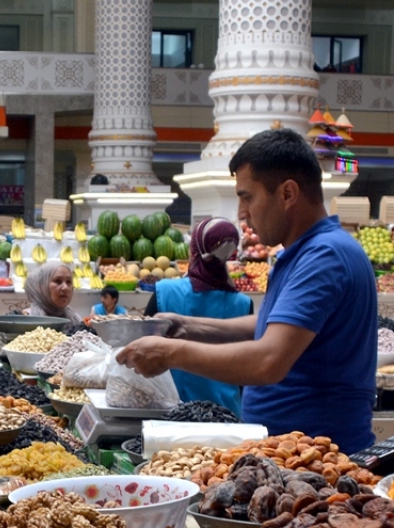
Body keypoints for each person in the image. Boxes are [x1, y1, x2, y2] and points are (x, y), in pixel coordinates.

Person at [116, 128, 377, 452]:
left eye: (247, 197)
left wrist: (171, 353)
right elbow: (276, 326)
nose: (242, 214)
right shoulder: (306, 251)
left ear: (287, 193)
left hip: (320, 462)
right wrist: (188, 326)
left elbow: (269, 360)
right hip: (290, 452)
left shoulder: (324, 257)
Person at [142, 217, 254, 417]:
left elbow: (143, 350)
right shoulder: (243, 304)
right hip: (226, 416)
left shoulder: (164, 292)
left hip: (171, 414)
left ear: (193, 249)